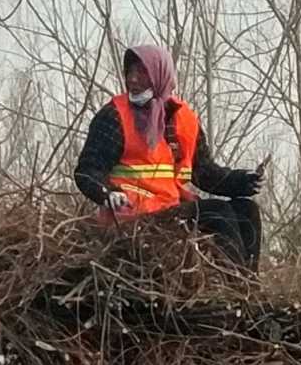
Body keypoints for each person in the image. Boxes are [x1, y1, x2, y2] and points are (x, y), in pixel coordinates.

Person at [74, 44, 264, 271]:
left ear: (159, 75)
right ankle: (235, 284)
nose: (132, 79)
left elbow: (204, 173)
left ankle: (249, 283)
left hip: (171, 208)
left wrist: (243, 181)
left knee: (246, 210)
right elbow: (88, 169)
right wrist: (107, 193)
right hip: (134, 216)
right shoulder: (114, 116)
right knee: (217, 212)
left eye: (141, 72)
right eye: (130, 72)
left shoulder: (184, 119)